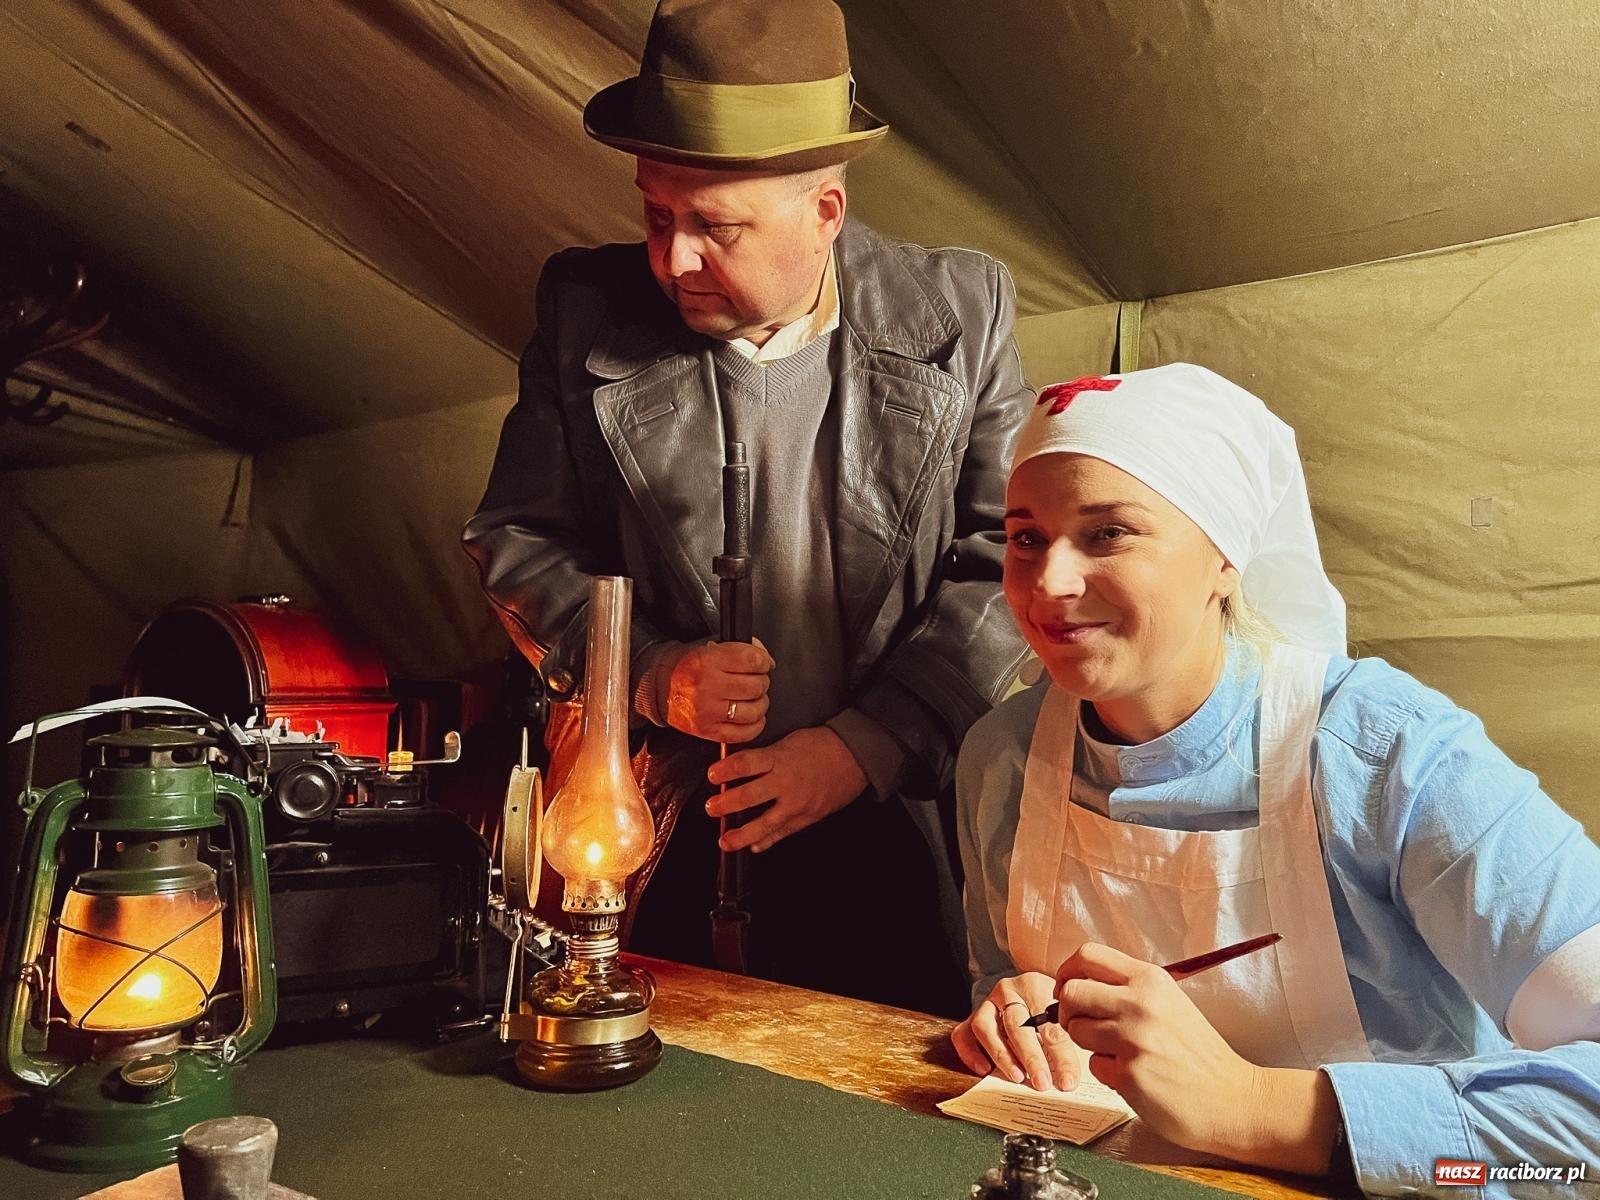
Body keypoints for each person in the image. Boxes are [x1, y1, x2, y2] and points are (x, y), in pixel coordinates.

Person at [462, 0, 1030, 1015]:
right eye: (655, 216)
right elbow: (519, 542)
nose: (674, 260)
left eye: (716, 228)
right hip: (670, 822)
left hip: (899, 824)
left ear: (825, 211)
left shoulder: (962, 315)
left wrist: (865, 745)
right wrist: (646, 674)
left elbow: (1003, 563)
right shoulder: (581, 311)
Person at [950, 363, 1600, 1194]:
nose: (1050, 584)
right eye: (1026, 537)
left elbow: (1571, 1157)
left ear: (1225, 557)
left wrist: (1253, 1105)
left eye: (1108, 533)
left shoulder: (1386, 755)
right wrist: (1010, 1011)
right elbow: (996, 980)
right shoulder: (1001, 759)